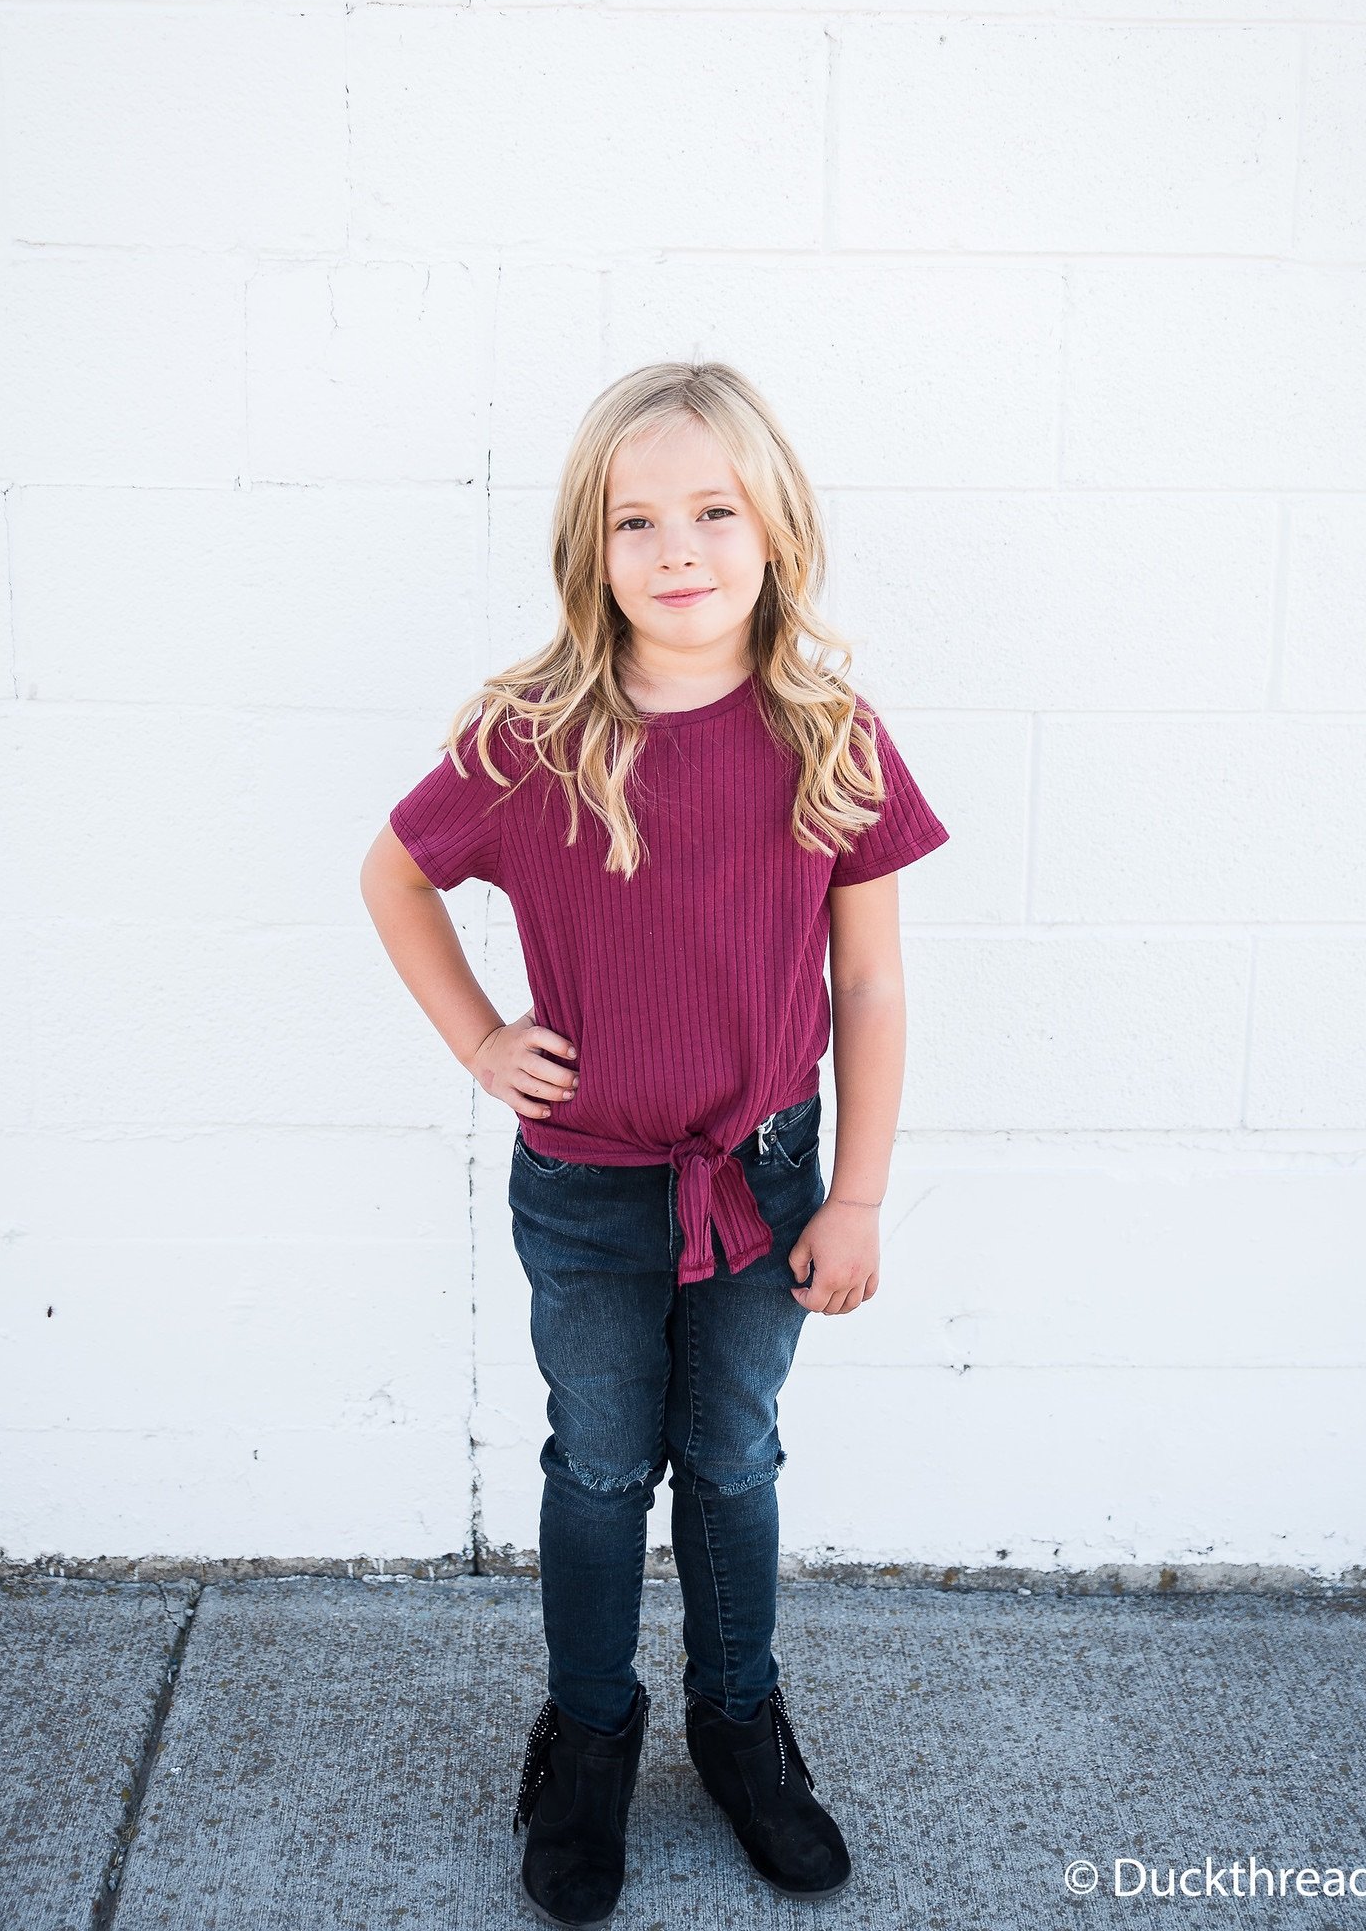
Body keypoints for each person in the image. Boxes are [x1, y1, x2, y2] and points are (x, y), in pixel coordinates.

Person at [361, 359, 949, 1929]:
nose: (675, 547)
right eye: (635, 520)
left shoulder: (824, 729)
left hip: (765, 1182)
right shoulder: (532, 732)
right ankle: (591, 1736)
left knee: (734, 1458)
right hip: (588, 1189)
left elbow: (872, 978)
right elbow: (393, 877)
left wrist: (860, 1192)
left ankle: (738, 1721)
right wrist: (480, 1037)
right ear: (587, 544)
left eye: (710, 510)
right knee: (602, 1464)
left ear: (773, 529)